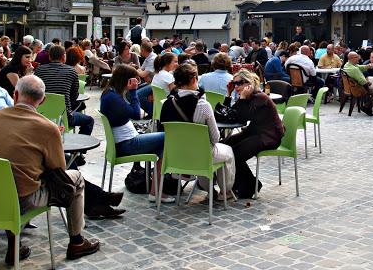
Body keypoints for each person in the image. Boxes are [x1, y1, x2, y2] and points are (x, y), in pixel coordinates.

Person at [0, 75, 101, 263]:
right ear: (43, 100)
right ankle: (77, 241)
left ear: (15, 95)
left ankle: (15, 245)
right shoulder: (47, 127)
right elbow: (59, 169)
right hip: (23, 200)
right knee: (76, 178)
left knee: (11, 176)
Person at [100, 64, 174, 203]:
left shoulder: (111, 93)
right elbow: (136, 114)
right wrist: (133, 92)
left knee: (162, 148)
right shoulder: (113, 97)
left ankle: (156, 190)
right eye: (134, 80)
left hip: (125, 141)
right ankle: (157, 189)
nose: (136, 83)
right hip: (127, 144)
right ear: (126, 80)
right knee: (169, 136)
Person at [160, 64, 236, 199]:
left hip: (175, 155)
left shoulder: (166, 103)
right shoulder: (203, 106)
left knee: (203, 150)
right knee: (226, 151)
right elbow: (215, 138)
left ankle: (210, 191)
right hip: (200, 156)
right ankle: (226, 192)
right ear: (194, 79)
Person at [223, 70, 284, 199]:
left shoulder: (260, 97)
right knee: (225, 146)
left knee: (234, 154)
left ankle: (250, 186)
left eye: (239, 83)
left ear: (249, 83)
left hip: (268, 137)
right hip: (254, 132)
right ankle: (240, 184)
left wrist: (242, 98)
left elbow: (242, 117)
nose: (236, 87)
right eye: (234, 84)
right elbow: (231, 115)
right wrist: (228, 94)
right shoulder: (249, 97)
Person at [35, 45, 94, 136]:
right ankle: (78, 148)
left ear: (50, 57)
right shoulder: (71, 71)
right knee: (89, 120)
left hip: (41, 116)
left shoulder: (39, 70)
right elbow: (74, 96)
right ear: (63, 57)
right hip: (65, 117)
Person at [342, 51, 373, 116]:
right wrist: (368, 83)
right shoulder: (354, 69)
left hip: (350, 88)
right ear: (351, 58)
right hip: (358, 89)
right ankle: (367, 107)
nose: (359, 58)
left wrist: (368, 66)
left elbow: (359, 66)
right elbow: (363, 82)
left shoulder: (347, 65)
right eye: (356, 57)